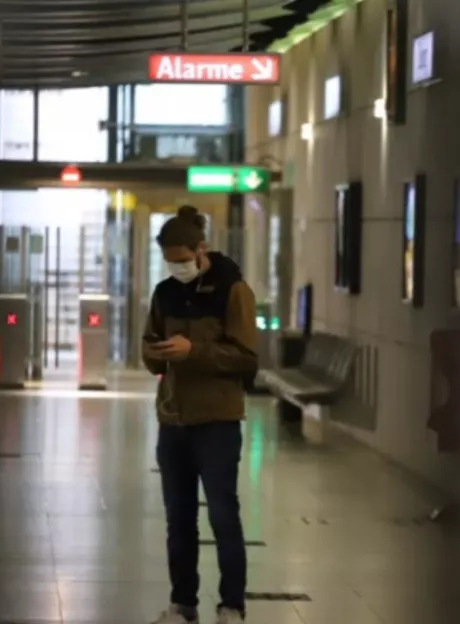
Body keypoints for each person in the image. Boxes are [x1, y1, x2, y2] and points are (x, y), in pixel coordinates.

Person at [142, 205, 258, 624]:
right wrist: (155, 353)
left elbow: (246, 358)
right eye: (170, 261)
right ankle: (182, 604)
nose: (178, 268)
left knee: (222, 513)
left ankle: (232, 605)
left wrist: (195, 352)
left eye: (183, 259)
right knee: (179, 518)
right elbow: (149, 346)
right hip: (173, 420)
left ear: (200, 249)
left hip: (217, 420)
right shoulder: (165, 292)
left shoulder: (234, 290)